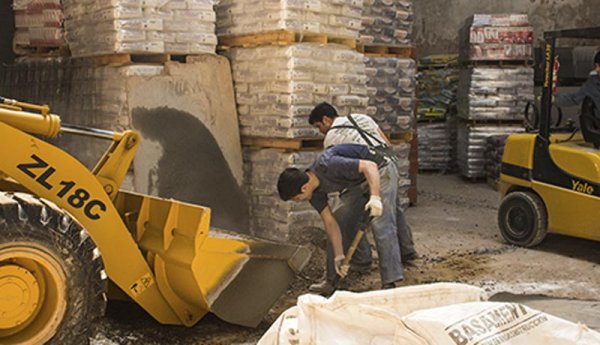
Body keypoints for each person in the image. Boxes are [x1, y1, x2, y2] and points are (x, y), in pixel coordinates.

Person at [277, 144, 405, 292]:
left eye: (297, 198)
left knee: (380, 223)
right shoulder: (314, 194)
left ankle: (390, 281)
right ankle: (334, 279)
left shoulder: (329, 164)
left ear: (304, 188)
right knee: (340, 218)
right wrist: (338, 256)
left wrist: (375, 197)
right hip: (356, 182)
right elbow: (330, 223)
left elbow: (370, 166)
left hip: (381, 170)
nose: (299, 201)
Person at [309, 102, 417, 262]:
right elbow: (386, 142)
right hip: (389, 163)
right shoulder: (362, 118)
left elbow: (345, 171)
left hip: (368, 171)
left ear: (326, 120)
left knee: (365, 218)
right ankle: (407, 252)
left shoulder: (331, 138)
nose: (320, 131)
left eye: (319, 126)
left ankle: (382, 271)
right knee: (393, 209)